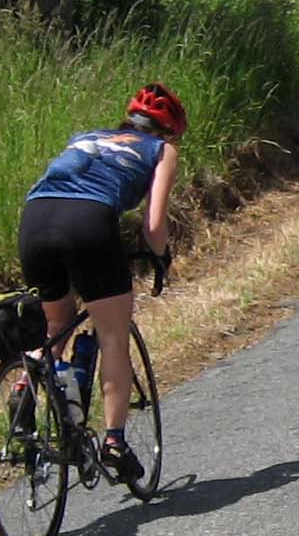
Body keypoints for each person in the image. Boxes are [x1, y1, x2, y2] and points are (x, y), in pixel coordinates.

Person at [16, 83, 182, 488]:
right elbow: (154, 226)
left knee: (56, 326)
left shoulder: (85, 136)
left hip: (34, 218)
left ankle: (24, 386)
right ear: (169, 131)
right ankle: (114, 443)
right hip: (88, 222)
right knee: (112, 334)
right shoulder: (161, 150)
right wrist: (160, 258)